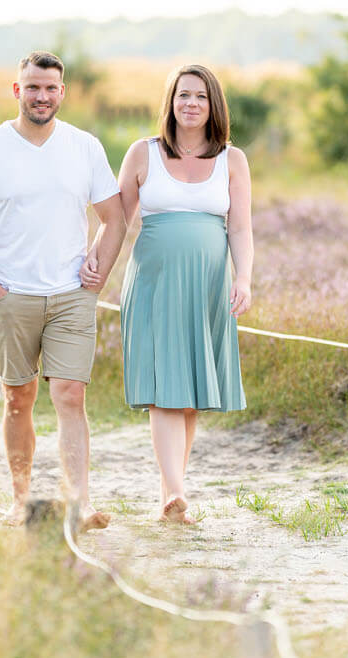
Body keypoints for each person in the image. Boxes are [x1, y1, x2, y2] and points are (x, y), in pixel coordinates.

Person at [0, 50, 125, 531]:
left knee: (71, 396)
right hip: (12, 296)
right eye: (33, 87)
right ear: (17, 91)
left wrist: (98, 272)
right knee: (17, 399)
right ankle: (21, 499)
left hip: (71, 294)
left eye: (50, 88)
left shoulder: (85, 147)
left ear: (62, 93)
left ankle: (80, 505)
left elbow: (115, 218)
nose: (42, 96)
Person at [91, 64, 252, 524]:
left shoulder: (231, 160)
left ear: (213, 103)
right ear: (171, 101)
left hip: (208, 286)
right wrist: (94, 264)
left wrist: (244, 279)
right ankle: (177, 492)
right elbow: (117, 221)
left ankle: (171, 498)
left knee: (192, 390)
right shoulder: (143, 154)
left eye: (200, 96)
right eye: (183, 95)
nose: (191, 104)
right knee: (166, 387)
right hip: (155, 282)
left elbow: (240, 226)